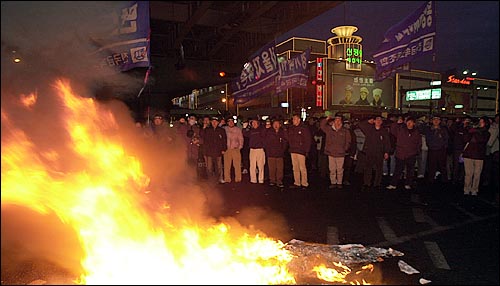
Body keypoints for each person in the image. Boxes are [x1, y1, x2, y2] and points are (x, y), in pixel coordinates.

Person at [386, 116, 421, 190]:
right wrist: (397, 123)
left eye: (411, 122)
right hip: (401, 154)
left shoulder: (416, 132)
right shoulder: (401, 130)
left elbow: (419, 142)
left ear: (414, 123)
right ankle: (393, 184)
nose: (409, 123)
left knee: (410, 170)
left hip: (411, 154)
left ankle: (408, 183)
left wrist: (416, 151)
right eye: (408, 122)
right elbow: (392, 130)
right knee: (398, 170)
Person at [358, 115, 391, 190]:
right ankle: (366, 183)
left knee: (379, 169)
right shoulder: (369, 129)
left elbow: (387, 142)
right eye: (377, 120)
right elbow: (360, 124)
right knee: (367, 168)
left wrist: (386, 152)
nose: (378, 121)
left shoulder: (384, 131)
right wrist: (368, 121)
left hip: (379, 152)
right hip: (369, 152)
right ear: (374, 121)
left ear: (382, 122)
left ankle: (377, 183)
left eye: (380, 120)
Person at [320, 114, 351, 189]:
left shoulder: (345, 131)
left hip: (341, 153)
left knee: (340, 169)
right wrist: (327, 119)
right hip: (331, 153)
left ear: (341, 122)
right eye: (336, 120)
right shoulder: (329, 130)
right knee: (332, 169)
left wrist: (345, 149)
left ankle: (339, 183)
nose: (338, 122)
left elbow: (348, 140)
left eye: (339, 120)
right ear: (333, 121)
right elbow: (322, 126)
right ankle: (333, 182)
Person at [462, 116, 490, 196]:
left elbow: (481, 140)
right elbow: (465, 139)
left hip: (479, 155)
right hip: (468, 154)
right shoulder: (471, 131)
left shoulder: (486, 133)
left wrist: (474, 131)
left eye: (482, 122)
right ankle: (466, 189)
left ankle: (474, 189)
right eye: (479, 121)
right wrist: (469, 129)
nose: (480, 123)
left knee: (477, 174)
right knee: (468, 173)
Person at [421, 115, 449, 185]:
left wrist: (443, 147)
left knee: (442, 165)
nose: (436, 121)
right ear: (432, 121)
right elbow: (424, 134)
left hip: (441, 150)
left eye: (437, 120)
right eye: (434, 120)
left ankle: (444, 180)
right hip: (432, 150)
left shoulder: (443, 130)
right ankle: (431, 180)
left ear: (439, 121)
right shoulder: (429, 129)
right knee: (431, 165)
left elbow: (446, 139)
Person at [287, 114, 312, 190]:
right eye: (293, 119)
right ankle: (297, 182)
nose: (293, 121)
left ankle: (304, 183)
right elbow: (288, 138)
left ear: (298, 120)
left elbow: (308, 140)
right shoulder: (291, 128)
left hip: (301, 150)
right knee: (295, 167)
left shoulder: (304, 128)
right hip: (293, 150)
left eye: (295, 119)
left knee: (302, 167)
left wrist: (306, 150)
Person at [200, 117, 227, 184]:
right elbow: (202, 136)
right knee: (209, 167)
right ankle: (210, 180)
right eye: (213, 122)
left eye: (216, 121)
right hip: (209, 151)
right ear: (211, 122)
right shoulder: (207, 130)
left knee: (219, 167)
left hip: (218, 151)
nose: (214, 123)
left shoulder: (221, 130)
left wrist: (224, 149)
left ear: (218, 123)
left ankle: (219, 179)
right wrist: (204, 127)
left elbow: (224, 140)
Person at [264, 118, 288, 188]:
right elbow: (265, 140)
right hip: (271, 153)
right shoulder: (269, 132)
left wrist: (283, 150)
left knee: (280, 168)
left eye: (277, 124)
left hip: (279, 153)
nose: (276, 125)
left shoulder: (282, 132)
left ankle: (279, 181)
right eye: (274, 124)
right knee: (272, 168)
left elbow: (285, 141)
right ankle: (272, 180)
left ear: (280, 125)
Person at [243, 118, 267, 184]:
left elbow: (265, 133)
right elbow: (245, 133)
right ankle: (253, 179)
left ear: (258, 123)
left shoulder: (261, 130)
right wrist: (245, 127)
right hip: (252, 150)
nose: (254, 124)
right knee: (252, 166)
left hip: (260, 149)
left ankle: (261, 179)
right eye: (252, 123)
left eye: (255, 122)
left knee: (261, 165)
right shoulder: (251, 131)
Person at [223, 117, 244, 183]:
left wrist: (240, 147)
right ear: (227, 122)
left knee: (237, 165)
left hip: (235, 149)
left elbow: (241, 138)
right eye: (229, 121)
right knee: (227, 165)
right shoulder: (225, 129)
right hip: (227, 149)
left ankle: (238, 178)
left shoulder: (237, 129)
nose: (231, 122)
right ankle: (227, 179)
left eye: (232, 121)